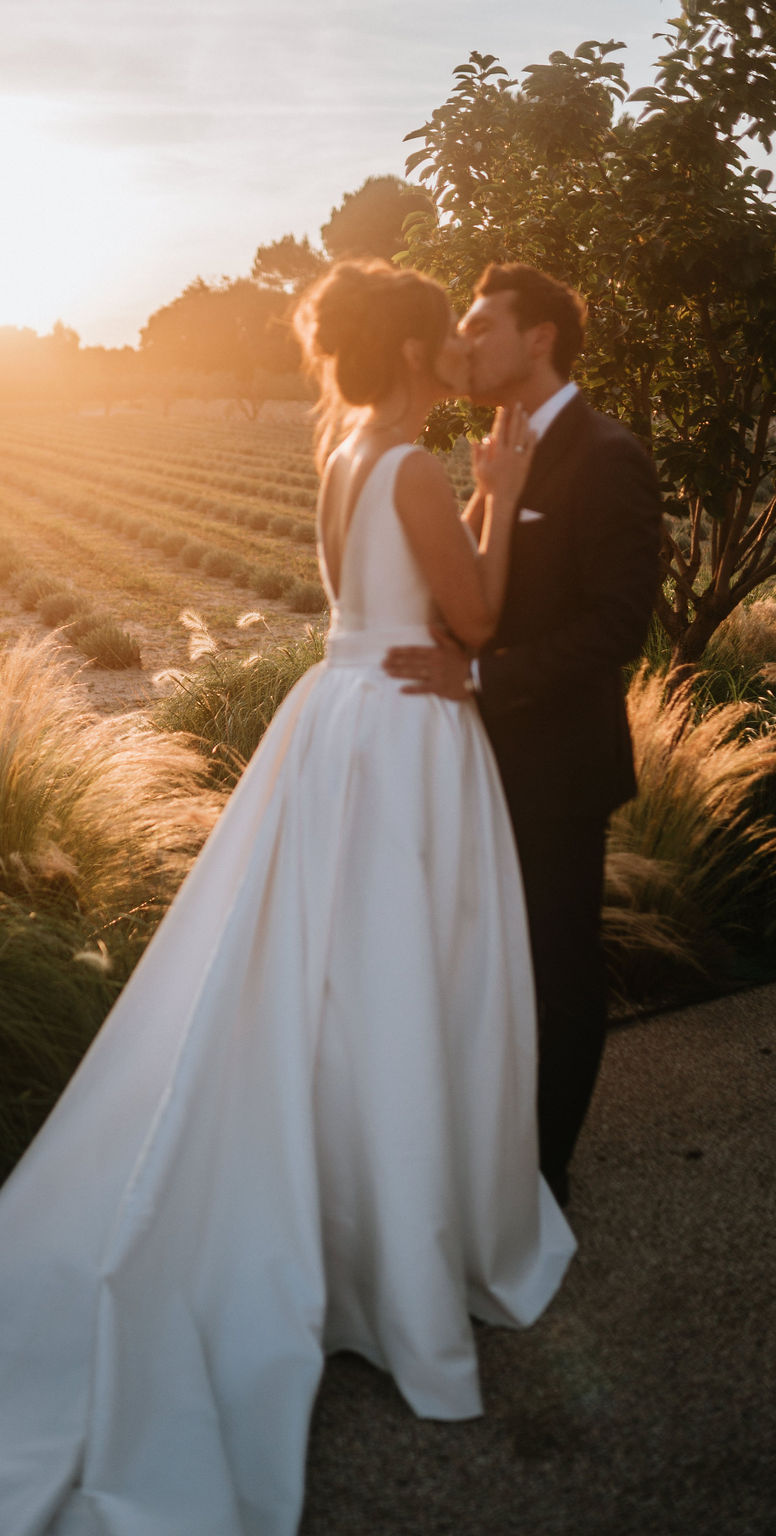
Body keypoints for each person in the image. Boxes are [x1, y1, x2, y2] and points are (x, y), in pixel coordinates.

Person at [0, 260, 574, 1536]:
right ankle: (394, 1249)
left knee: (332, 977)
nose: (464, 352)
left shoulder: (343, 449)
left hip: (338, 723)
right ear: (416, 351)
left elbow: (378, 608)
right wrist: (500, 494)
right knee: (400, 976)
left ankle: (350, 1227)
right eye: (446, 335)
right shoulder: (417, 467)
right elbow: (468, 618)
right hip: (404, 736)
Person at [385, 263, 663, 1208]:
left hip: (556, 765)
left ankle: (544, 1179)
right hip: (467, 755)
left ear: (538, 337)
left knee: (557, 967)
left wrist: (482, 679)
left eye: (481, 325)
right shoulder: (491, 452)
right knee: (480, 962)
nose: (465, 343)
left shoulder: (607, 454)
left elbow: (618, 623)